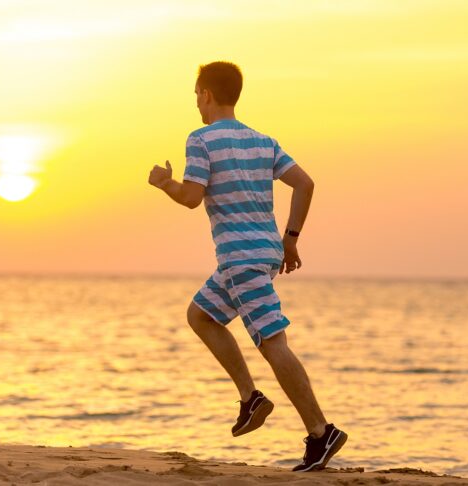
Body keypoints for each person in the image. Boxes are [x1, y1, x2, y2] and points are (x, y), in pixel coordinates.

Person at [147, 61, 347, 472]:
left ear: (206, 94)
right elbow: (305, 184)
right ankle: (250, 398)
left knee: (273, 342)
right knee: (200, 315)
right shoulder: (262, 141)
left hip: (240, 258)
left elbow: (191, 198)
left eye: (196, 96)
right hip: (260, 254)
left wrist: (164, 183)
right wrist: (289, 239)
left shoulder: (201, 139)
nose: (196, 106)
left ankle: (321, 432)